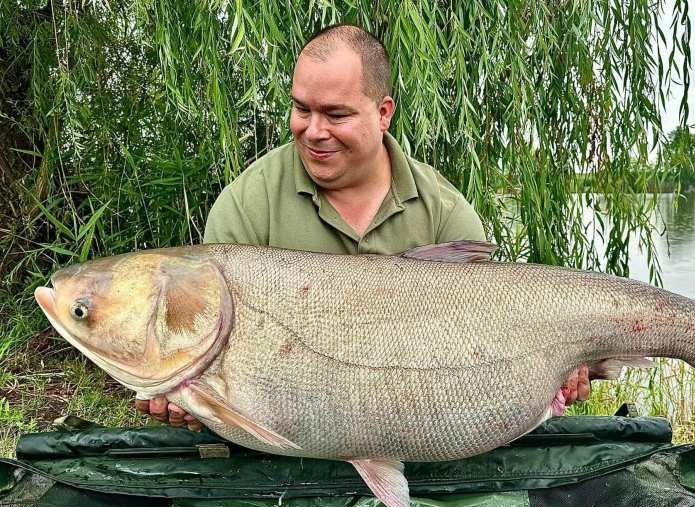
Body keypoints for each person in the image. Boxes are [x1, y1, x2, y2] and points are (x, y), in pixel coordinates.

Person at [135, 23, 590, 431]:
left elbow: (491, 341)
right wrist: (193, 399)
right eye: (302, 109)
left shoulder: (443, 209)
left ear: (383, 112)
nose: (313, 131)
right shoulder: (247, 205)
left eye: (336, 115)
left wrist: (555, 364)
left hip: (421, 433)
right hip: (282, 452)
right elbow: (218, 372)